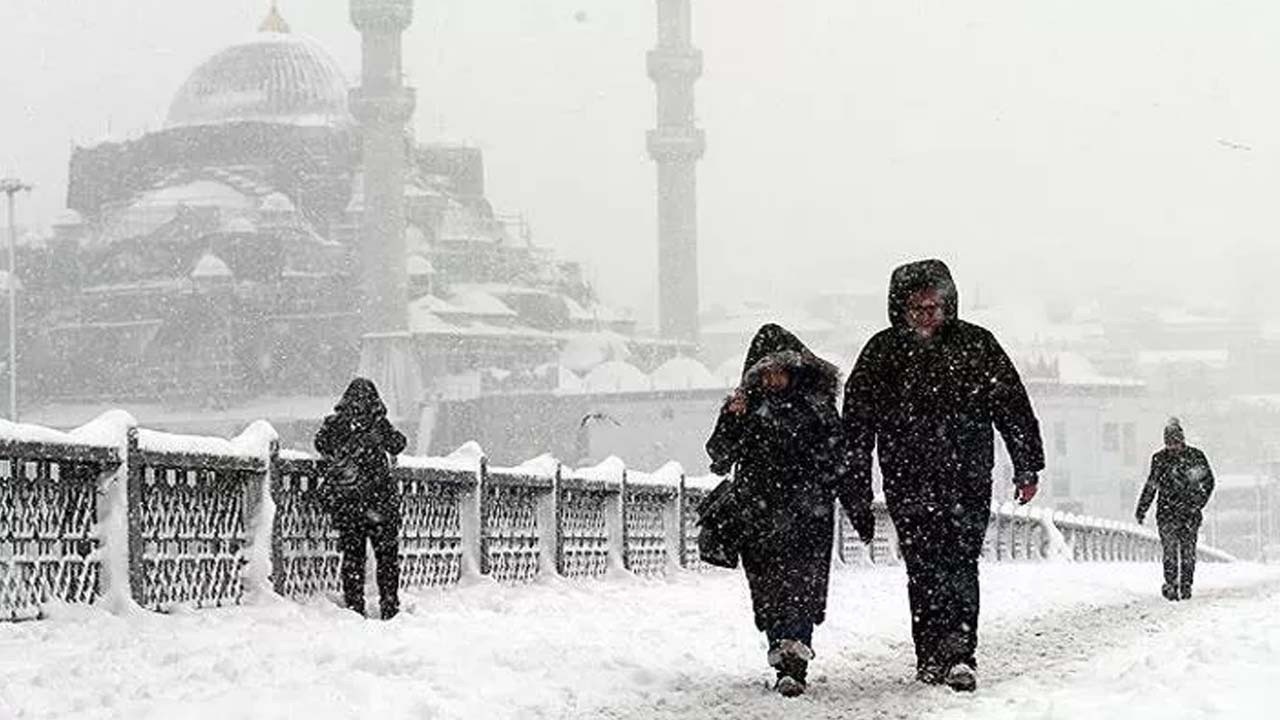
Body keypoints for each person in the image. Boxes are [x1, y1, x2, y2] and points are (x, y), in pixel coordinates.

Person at [842, 259, 1044, 692]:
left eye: (934, 306)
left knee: (959, 563)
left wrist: (1027, 464)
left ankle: (958, 653)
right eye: (917, 308)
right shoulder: (882, 353)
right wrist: (855, 484)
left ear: (948, 305)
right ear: (902, 309)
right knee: (923, 567)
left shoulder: (976, 345)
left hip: (966, 478)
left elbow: (1012, 406)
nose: (926, 315)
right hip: (908, 479)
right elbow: (856, 426)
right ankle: (929, 653)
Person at [705, 324, 875, 698]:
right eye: (765, 371)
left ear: (795, 368)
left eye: (779, 369)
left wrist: (858, 508)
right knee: (767, 591)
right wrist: (731, 417)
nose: (773, 378)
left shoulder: (817, 409)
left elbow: (839, 462)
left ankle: (793, 660)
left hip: (807, 516)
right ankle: (781, 647)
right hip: (758, 516)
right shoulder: (746, 409)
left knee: (801, 587)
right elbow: (718, 458)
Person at [314, 378, 408, 619]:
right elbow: (398, 445)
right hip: (380, 503)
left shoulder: (336, 423)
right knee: (387, 559)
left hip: (349, 503)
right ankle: (389, 605)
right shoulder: (378, 424)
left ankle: (355, 606)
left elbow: (320, 444)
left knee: (353, 558)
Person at [1135, 417, 1215, 601]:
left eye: (1175, 443)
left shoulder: (1195, 456)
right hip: (1169, 513)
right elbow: (1151, 485)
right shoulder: (1160, 459)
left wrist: (1197, 503)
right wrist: (1142, 508)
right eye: (1169, 444)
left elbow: (1208, 482)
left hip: (1187, 513)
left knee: (1187, 550)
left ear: (1182, 440)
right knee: (1170, 550)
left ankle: (1185, 585)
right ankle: (1172, 584)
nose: (1173, 447)